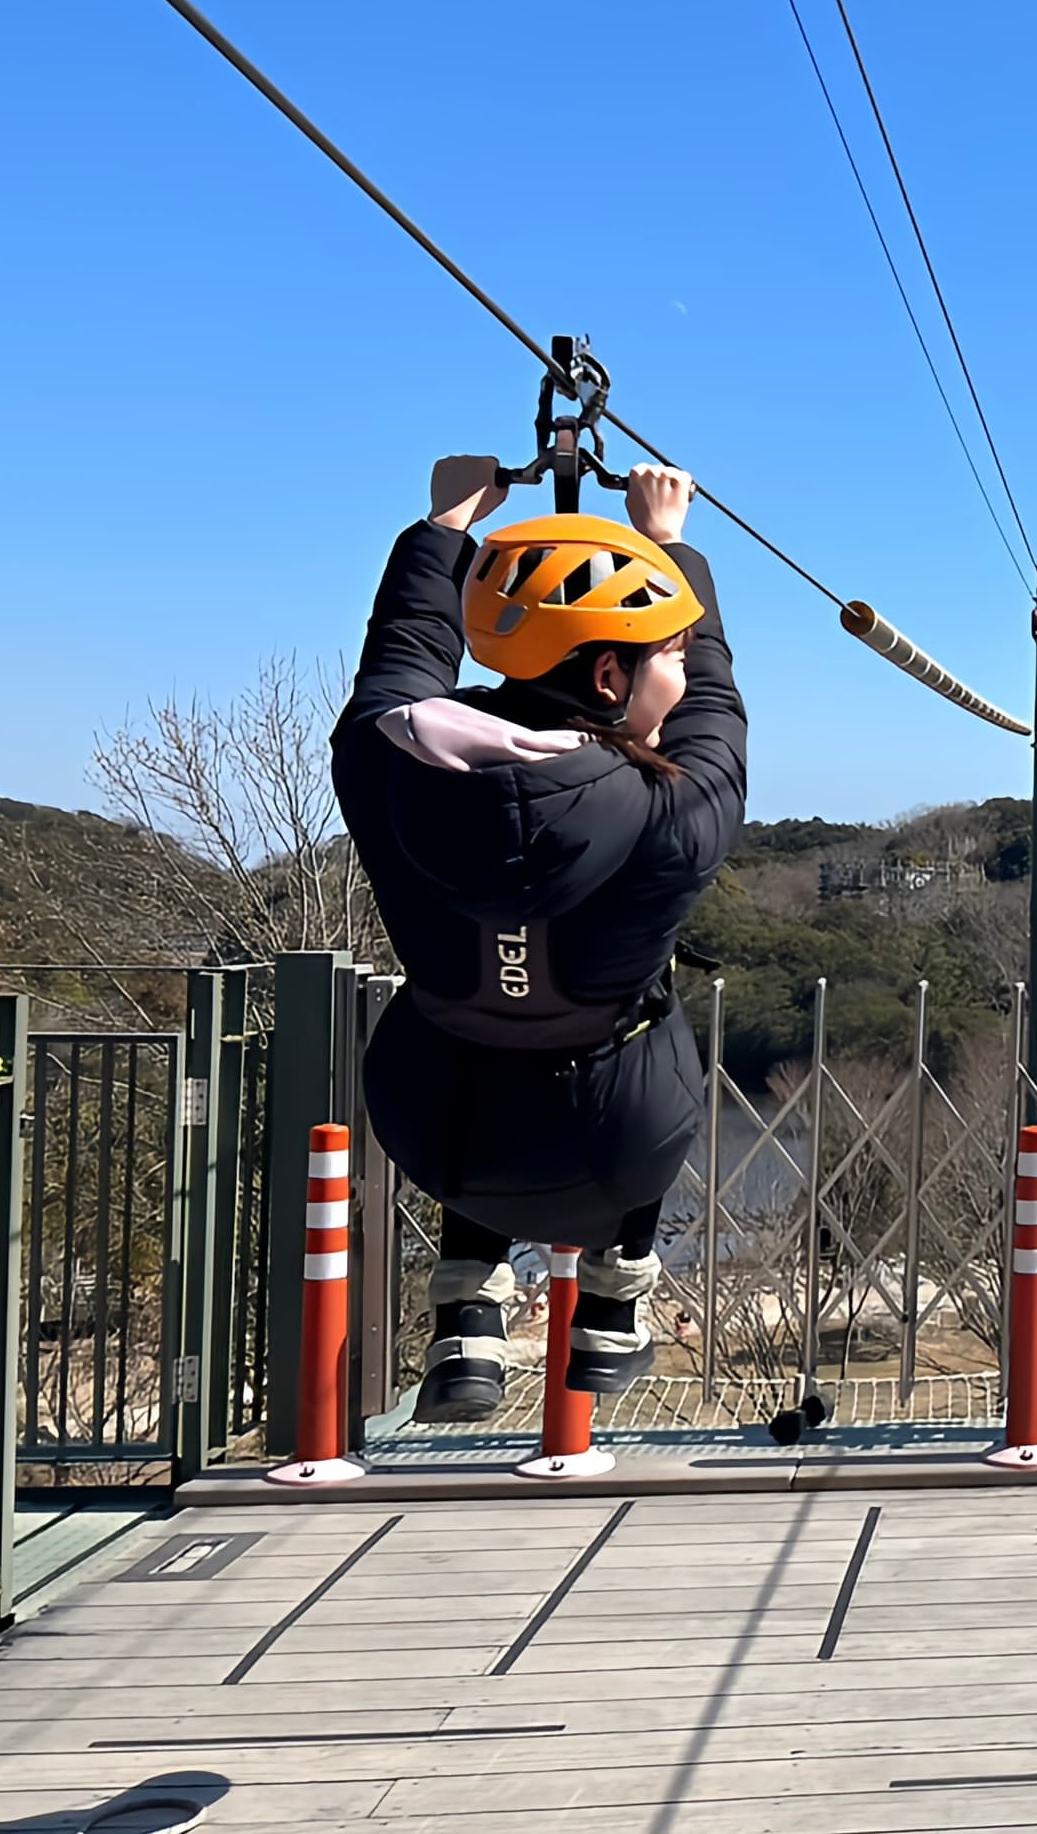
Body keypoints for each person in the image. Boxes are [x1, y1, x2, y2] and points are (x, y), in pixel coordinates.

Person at [332, 456, 745, 1422]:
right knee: (652, 1013)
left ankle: (468, 1304)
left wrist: (444, 527)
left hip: (437, 1137)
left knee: (476, 1020)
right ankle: (615, 1301)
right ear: (609, 674)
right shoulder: (675, 812)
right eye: (666, 655)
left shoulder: (384, 761)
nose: (682, 674)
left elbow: (402, 655)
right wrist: (669, 543)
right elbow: (716, 711)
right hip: (614, 1148)